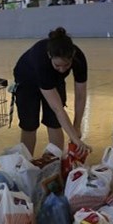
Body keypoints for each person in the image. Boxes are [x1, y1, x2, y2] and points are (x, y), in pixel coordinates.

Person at [13, 27, 91, 156]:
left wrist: (76, 126)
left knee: (54, 122)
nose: (62, 69)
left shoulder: (79, 59)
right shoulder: (41, 60)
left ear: (72, 56)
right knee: (29, 124)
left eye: (66, 65)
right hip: (27, 80)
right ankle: (26, 164)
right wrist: (75, 139)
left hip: (53, 81)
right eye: (58, 65)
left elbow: (81, 96)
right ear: (50, 56)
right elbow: (58, 108)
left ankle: (55, 162)